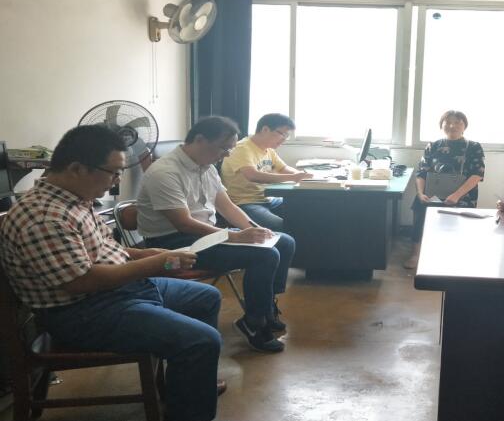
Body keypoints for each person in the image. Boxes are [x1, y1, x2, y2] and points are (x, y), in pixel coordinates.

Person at [0, 125, 224, 421]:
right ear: (77, 168)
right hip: (83, 313)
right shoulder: (44, 218)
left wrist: (145, 254)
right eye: (113, 173)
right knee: (202, 340)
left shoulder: (75, 199)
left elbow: (105, 247)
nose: (118, 180)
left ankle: (188, 384)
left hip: (118, 292)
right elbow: (82, 281)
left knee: (206, 297)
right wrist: (156, 263)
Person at [137, 116, 296, 353]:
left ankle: (265, 307)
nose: (227, 154)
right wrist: (232, 236)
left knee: (284, 241)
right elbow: (184, 223)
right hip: (173, 244)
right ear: (200, 140)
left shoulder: (207, 167)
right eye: (223, 148)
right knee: (265, 255)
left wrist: (254, 228)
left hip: (205, 235)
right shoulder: (164, 172)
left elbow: (227, 206)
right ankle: (255, 323)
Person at [406, 110, 485, 269]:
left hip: (462, 195)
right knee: (420, 205)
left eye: (457, 122)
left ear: (464, 126)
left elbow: (477, 175)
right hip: (433, 193)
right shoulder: (433, 146)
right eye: (448, 122)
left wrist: (456, 195)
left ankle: (454, 255)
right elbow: (421, 173)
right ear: (441, 125)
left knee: (460, 215)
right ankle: (415, 253)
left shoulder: (474, 147)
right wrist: (420, 193)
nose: (452, 126)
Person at [220, 113, 313, 231]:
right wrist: (294, 177)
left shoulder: (268, 150)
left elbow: (284, 168)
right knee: (281, 226)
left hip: (268, 199)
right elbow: (253, 175)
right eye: (283, 134)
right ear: (265, 129)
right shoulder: (242, 148)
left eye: (287, 136)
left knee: (307, 210)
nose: (284, 139)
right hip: (245, 203)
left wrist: (306, 176)